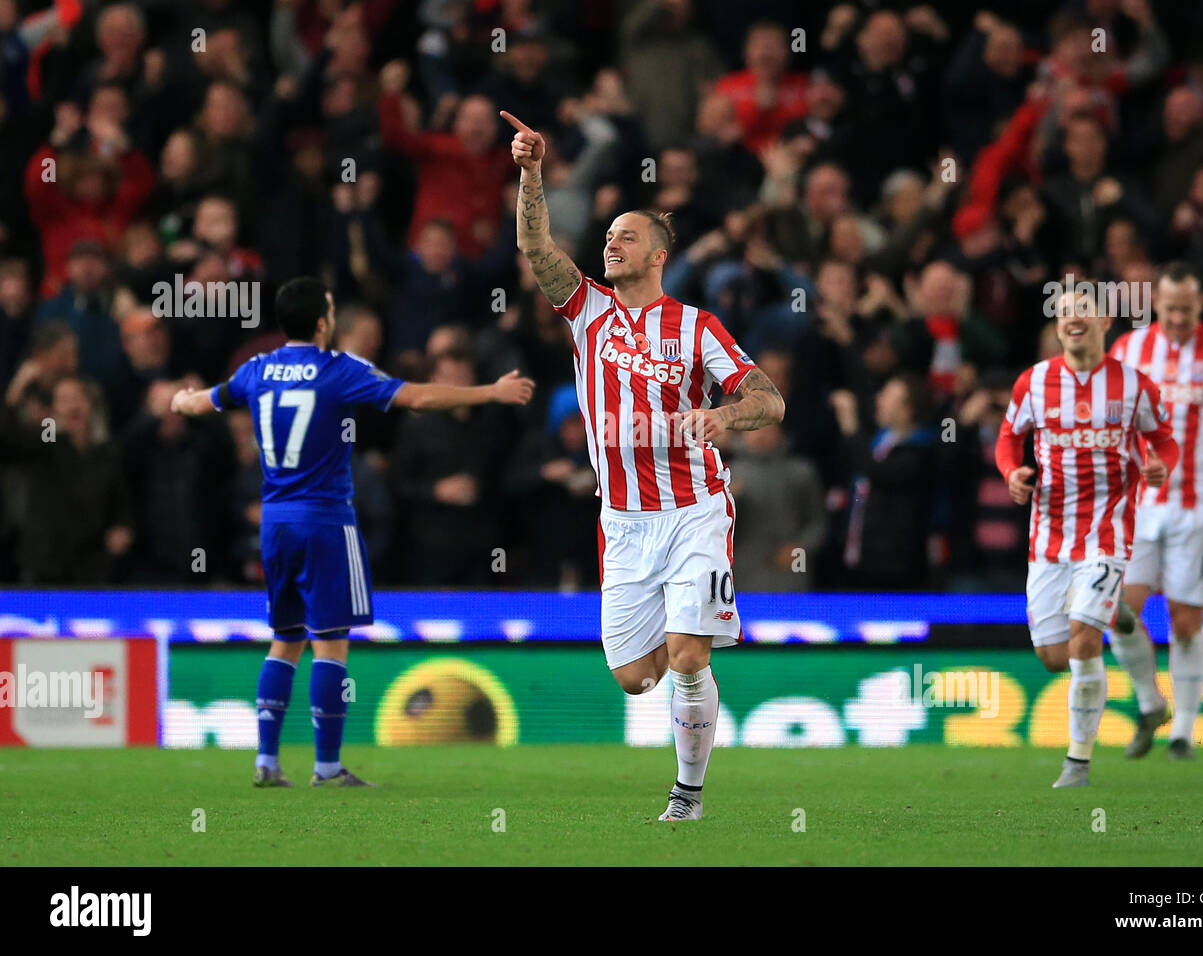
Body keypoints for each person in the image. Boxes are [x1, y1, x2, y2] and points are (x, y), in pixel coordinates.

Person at [503, 109, 785, 821]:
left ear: (659, 254)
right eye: (607, 236)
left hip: (694, 508)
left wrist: (722, 416)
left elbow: (769, 400)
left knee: (690, 656)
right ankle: (683, 621)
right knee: (635, 678)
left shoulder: (694, 326)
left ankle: (687, 795)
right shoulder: (585, 309)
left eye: (627, 236)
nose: (612, 243)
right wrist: (533, 171)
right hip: (623, 522)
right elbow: (535, 244)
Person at [169, 276, 533, 787]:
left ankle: (267, 762)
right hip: (325, 521)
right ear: (323, 322)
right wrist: (489, 391)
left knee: (284, 640)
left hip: (275, 522)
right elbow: (418, 398)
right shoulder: (339, 370)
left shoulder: (255, 370)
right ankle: (326, 767)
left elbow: (207, 400)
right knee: (331, 642)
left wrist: (182, 400)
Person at [997, 287, 1178, 788]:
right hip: (1048, 538)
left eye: (1084, 311)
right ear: (1057, 327)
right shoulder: (1032, 382)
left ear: (1105, 322)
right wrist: (1012, 471)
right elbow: (1009, 438)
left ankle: (1077, 763)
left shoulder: (1135, 386)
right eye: (1064, 313)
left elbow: (1164, 440)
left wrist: (1162, 465)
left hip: (1107, 532)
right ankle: (1114, 612)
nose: (1073, 319)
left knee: (1082, 641)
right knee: (1054, 657)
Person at [1107, 262, 1203, 760]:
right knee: (1118, 610)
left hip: (1199, 506)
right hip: (1137, 507)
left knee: (1187, 621)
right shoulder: (1129, 350)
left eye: (1185, 308)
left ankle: (1183, 732)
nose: (1176, 317)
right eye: (1169, 308)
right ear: (1156, 304)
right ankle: (1152, 703)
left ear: (1201, 303)